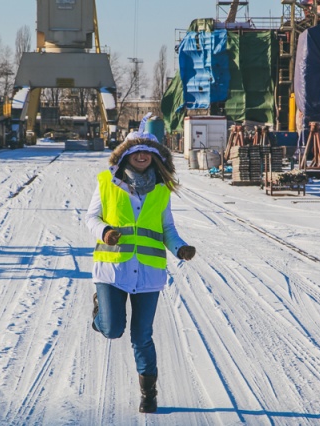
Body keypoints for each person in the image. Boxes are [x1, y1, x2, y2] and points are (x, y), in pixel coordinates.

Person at [85, 115, 196, 413]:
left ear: (155, 157)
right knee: (112, 329)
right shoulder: (107, 182)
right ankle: (101, 314)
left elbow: (167, 229)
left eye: (148, 152)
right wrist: (105, 232)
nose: (142, 155)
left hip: (148, 275)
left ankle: (149, 396)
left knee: (142, 336)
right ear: (127, 155)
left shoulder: (161, 189)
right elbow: (91, 218)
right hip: (112, 270)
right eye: (136, 152)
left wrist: (180, 248)